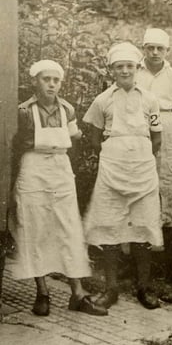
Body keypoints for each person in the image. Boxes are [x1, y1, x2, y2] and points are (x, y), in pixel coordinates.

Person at [9, 60, 107, 317]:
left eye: (56, 80)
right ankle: (42, 292)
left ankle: (78, 294)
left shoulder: (67, 109)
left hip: (60, 170)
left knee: (69, 229)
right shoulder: (23, 111)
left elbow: (73, 139)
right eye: (46, 79)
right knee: (35, 228)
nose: (51, 84)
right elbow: (16, 145)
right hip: (33, 170)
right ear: (35, 81)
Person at [83, 42, 163, 310]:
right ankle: (111, 288)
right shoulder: (102, 100)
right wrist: (116, 154)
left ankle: (144, 288)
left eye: (130, 66)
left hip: (142, 169)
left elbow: (157, 138)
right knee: (109, 227)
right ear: (111, 70)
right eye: (120, 67)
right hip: (112, 169)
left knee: (142, 227)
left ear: (138, 68)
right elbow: (94, 138)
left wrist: (138, 155)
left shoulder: (150, 99)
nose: (125, 71)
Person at [136, 28, 172, 280]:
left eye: (160, 48)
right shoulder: (133, 72)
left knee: (169, 183)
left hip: (166, 127)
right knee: (141, 184)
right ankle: (138, 257)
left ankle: (169, 258)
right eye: (150, 47)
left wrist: (165, 127)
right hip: (138, 126)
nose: (154, 53)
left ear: (167, 51)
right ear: (143, 48)